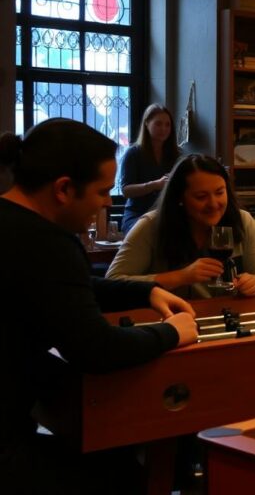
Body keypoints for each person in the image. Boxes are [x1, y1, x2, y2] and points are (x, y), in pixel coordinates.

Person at [0, 119, 197, 494]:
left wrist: (144, 292)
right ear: (63, 188)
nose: (108, 201)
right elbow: (97, 349)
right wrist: (172, 332)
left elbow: (62, 288)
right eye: (102, 191)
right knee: (121, 475)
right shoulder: (50, 243)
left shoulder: (14, 224)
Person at [106, 154, 255, 298]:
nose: (214, 204)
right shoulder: (150, 226)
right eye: (201, 197)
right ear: (180, 198)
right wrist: (180, 277)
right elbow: (113, 282)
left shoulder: (243, 220)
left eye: (220, 192)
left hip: (227, 319)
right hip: (167, 322)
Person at [119, 104, 181, 234]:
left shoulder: (177, 155)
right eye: (158, 124)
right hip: (137, 215)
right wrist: (154, 185)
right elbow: (126, 190)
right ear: (147, 123)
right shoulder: (133, 153)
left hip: (166, 215)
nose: (163, 128)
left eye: (167, 125)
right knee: (151, 232)